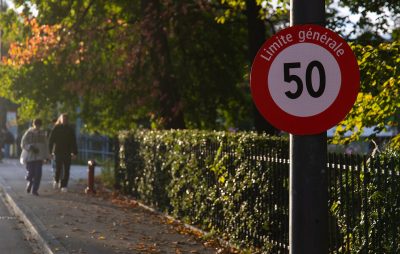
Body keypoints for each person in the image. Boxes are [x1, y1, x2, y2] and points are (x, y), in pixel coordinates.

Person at [48, 113, 78, 192]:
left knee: (67, 169)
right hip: (58, 151)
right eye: (63, 119)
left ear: (67, 120)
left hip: (67, 152)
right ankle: (56, 180)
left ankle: (64, 185)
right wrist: (50, 152)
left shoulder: (70, 130)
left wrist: (75, 153)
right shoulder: (56, 128)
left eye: (66, 119)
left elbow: (73, 142)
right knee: (58, 168)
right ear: (60, 120)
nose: (64, 121)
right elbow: (51, 141)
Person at [20, 119, 50, 196]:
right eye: (36, 124)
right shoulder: (28, 133)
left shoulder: (43, 134)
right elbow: (23, 143)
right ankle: (30, 182)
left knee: (38, 174)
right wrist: (30, 147)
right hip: (30, 157)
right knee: (31, 173)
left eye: (39, 125)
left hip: (39, 157)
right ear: (33, 124)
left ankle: (35, 190)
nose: (37, 126)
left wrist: (47, 156)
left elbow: (46, 145)